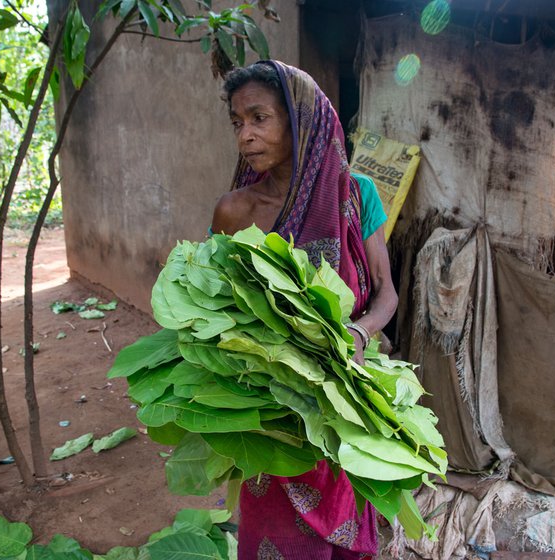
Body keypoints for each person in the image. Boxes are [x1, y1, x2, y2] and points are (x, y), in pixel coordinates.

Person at [211, 61, 399, 560]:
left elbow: (387, 295)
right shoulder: (233, 211)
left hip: (345, 399)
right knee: (276, 536)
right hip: (273, 410)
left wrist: (357, 337)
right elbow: (215, 305)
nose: (245, 136)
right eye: (237, 122)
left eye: (259, 118)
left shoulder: (357, 195)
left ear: (301, 121)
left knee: (345, 529)